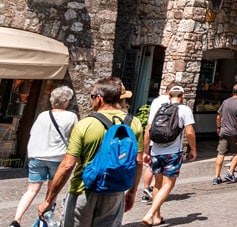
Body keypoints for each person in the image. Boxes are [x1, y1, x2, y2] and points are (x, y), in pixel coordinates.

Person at [37, 77, 144, 227]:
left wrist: (49, 200)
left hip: (83, 190)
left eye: (92, 96)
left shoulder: (85, 124)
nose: (91, 100)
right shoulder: (134, 123)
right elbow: (138, 162)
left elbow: (67, 165)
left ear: (99, 99)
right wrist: (132, 192)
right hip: (115, 191)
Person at [10, 86, 77, 227]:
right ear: (66, 102)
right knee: (51, 193)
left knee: (31, 190)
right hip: (57, 159)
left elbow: (33, 133)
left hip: (37, 157)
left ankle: (16, 220)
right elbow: (74, 137)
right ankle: (43, 223)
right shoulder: (71, 117)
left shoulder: (43, 115)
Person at [141, 86, 195, 227]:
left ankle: (157, 217)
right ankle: (150, 214)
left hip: (156, 152)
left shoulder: (160, 108)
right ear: (182, 96)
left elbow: (148, 130)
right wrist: (193, 149)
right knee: (168, 184)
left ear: (169, 95)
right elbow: (189, 132)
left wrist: (146, 151)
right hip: (172, 153)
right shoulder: (184, 109)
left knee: (158, 184)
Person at [213, 83, 237, 185]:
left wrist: (218, 127)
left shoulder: (225, 102)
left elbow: (218, 116)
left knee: (221, 153)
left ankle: (216, 177)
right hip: (234, 132)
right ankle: (230, 173)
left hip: (224, 131)